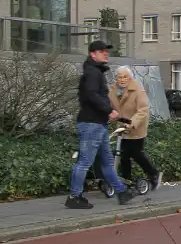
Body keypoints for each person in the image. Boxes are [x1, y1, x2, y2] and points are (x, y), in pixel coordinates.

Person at [67, 41, 132, 209]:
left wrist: (106, 112)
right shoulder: (93, 73)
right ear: (92, 54)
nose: (106, 53)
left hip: (97, 124)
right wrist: (108, 110)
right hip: (91, 124)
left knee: (107, 162)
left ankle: (121, 191)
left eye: (106, 51)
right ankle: (74, 197)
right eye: (101, 51)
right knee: (85, 162)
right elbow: (91, 95)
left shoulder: (95, 72)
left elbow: (93, 96)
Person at [109, 66, 163, 191]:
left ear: (130, 78)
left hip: (136, 127)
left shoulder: (138, 90)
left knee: (135, 152)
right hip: (122, 128)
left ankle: (153, 174)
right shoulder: (112, 91)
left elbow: (143, 110)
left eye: (125, 77)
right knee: (123, 154)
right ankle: (126, 180)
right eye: (119, 77)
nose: (122, 79)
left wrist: (132, 123)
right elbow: (110, 107)